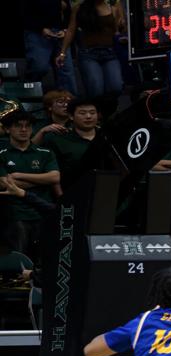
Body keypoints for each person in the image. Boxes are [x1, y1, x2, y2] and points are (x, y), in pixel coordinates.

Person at [0, 109, 59, 258]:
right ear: (7, 129)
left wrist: (19, 175)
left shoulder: (45, 153)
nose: (24, 129)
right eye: (18, 126)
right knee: (19, 259)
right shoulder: (1, 154)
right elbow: (5, 184)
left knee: (45, 259)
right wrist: (41, 180)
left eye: (28, 126)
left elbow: (54, 178)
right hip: (15, 214)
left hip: (43, 211)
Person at [57, 0, 124, 116]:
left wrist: (122, 29)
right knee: (95, 89)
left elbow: (118, 29)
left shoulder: (113, 7)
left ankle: (108, 113)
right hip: (88, 54)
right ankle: (97, 115)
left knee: (116, 86)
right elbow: (71, 30)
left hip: (110, 53)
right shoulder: (79, 8)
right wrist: (62, 53)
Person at [22, 2, 79, 94]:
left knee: (65, 70)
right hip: (37, 31)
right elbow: (25, 11)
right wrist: (41, 28)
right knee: (39, 67)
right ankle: (29, 95)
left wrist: (65, 29)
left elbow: (69, 11)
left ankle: (68, 100)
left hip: (59, 30)